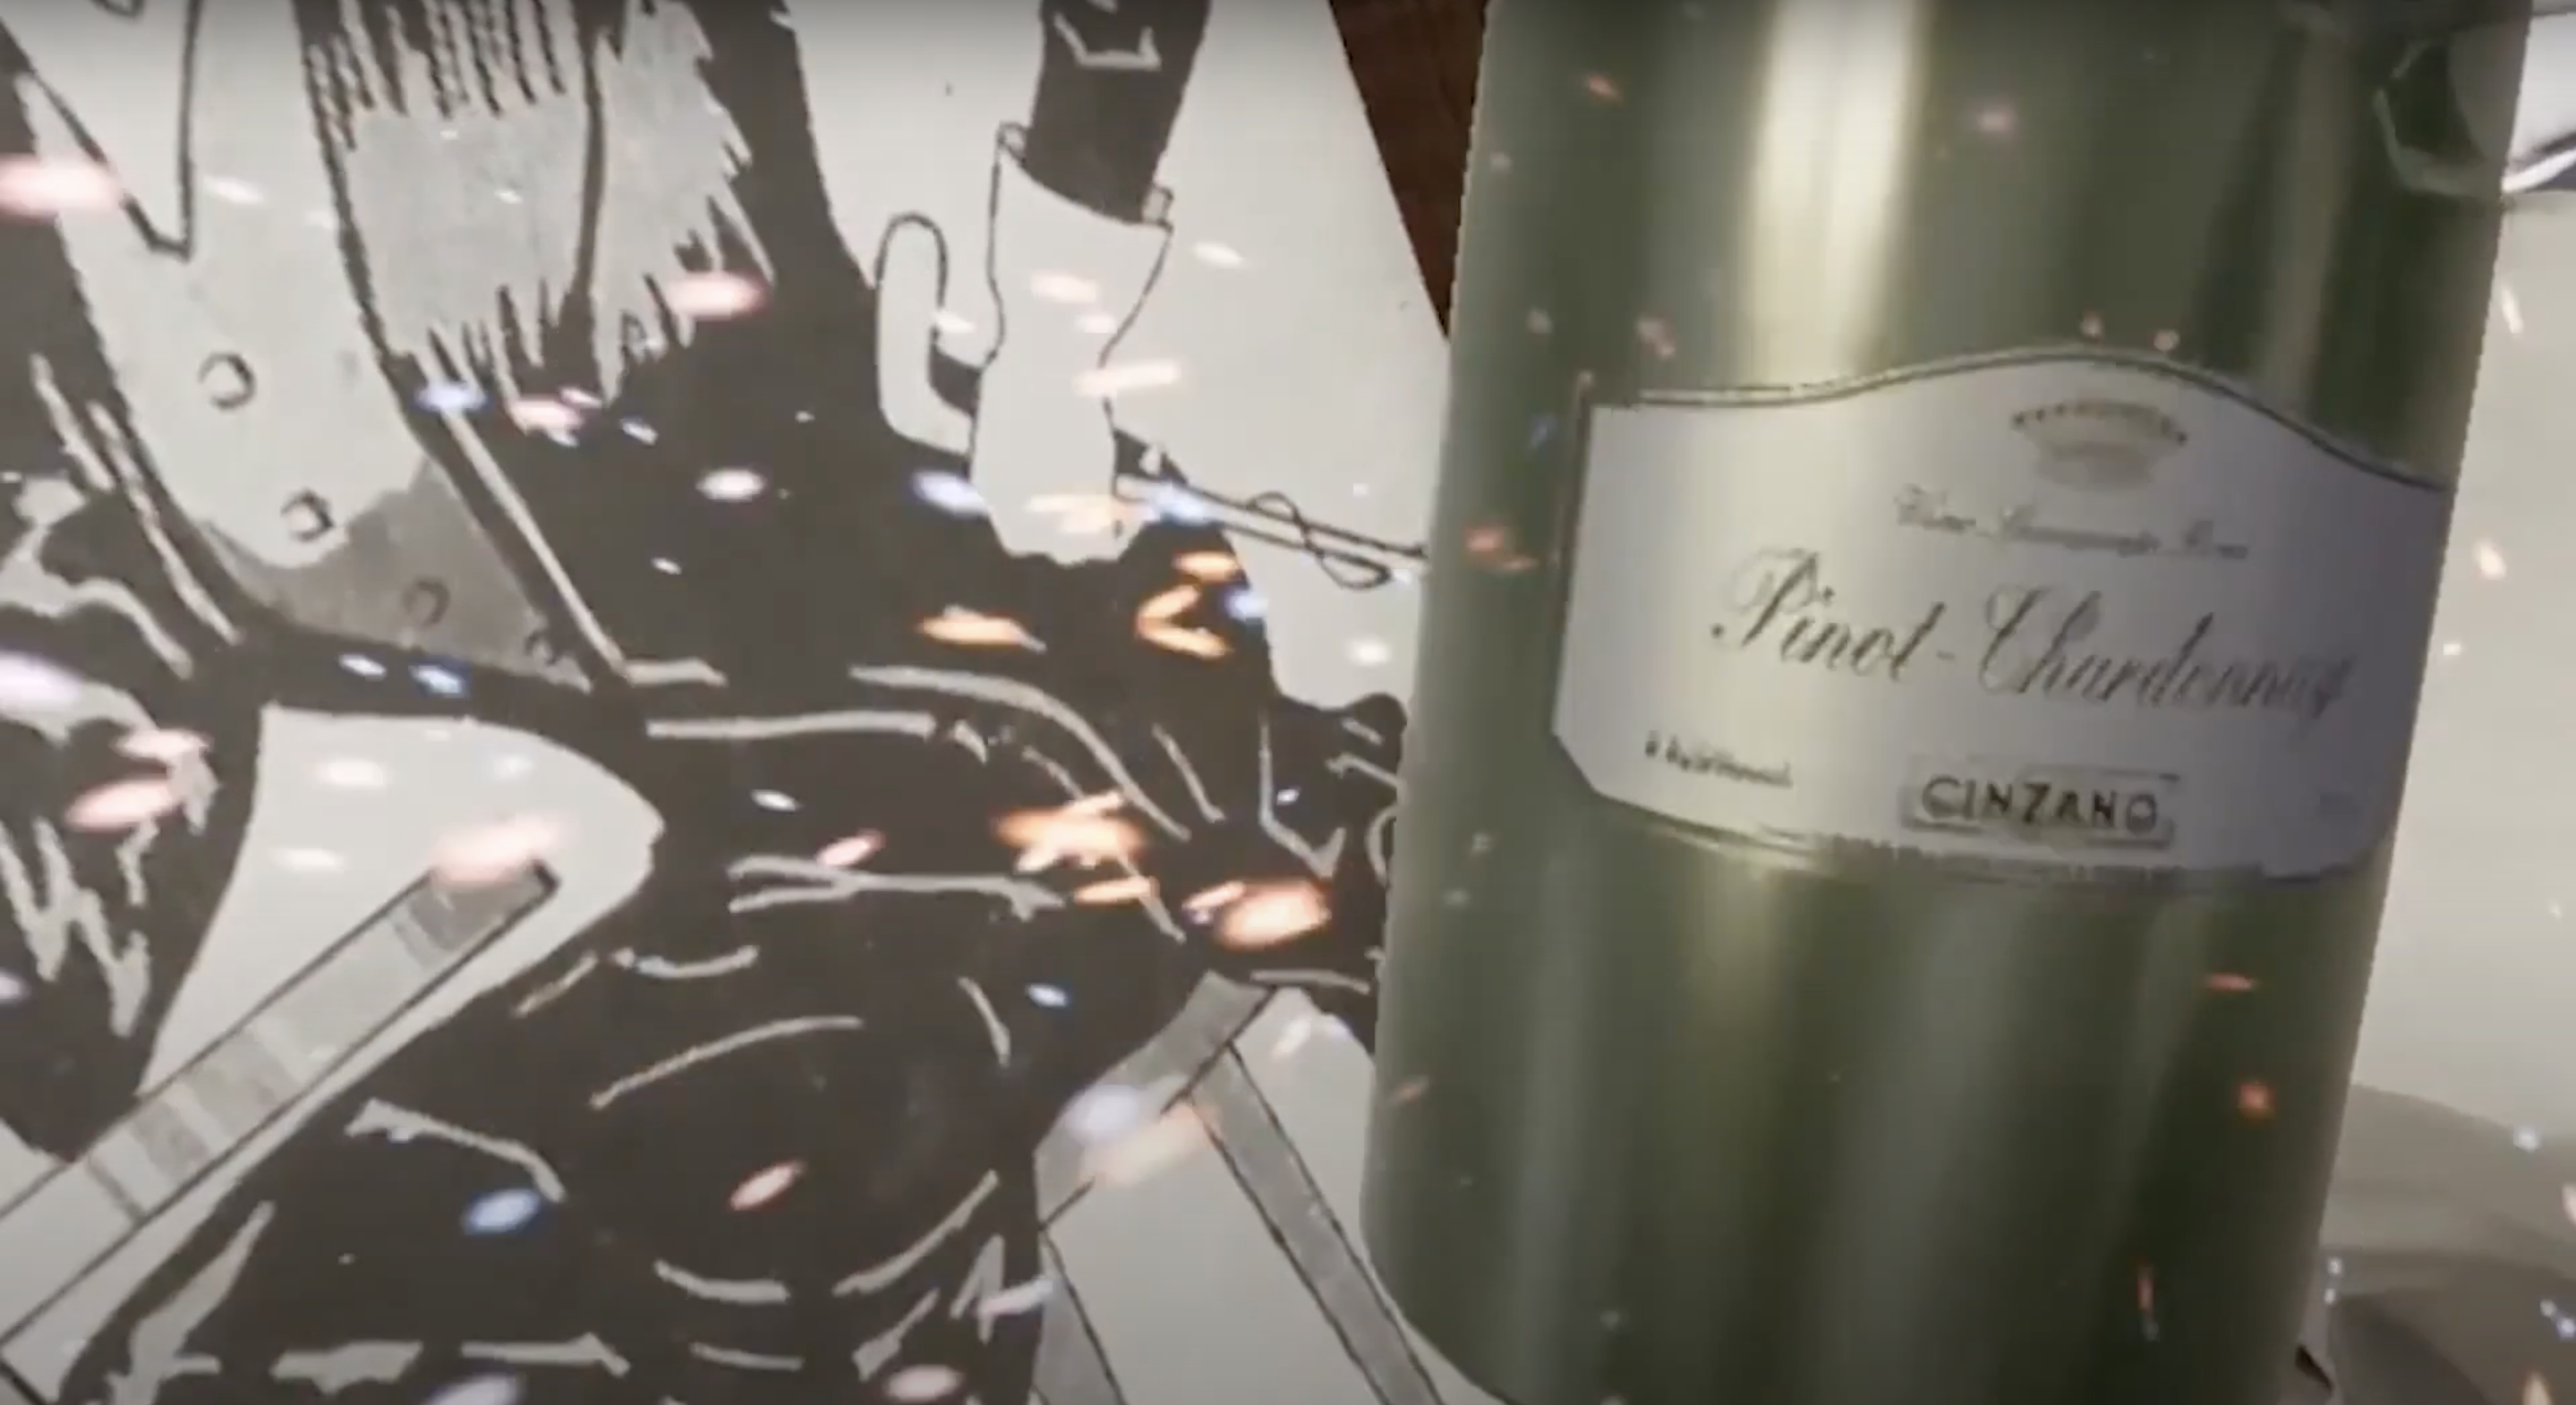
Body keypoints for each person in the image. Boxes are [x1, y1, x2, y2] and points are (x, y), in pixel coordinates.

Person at [0, 1, 1406, 1400]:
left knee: (730, 1167)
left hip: (954, 677)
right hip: (692, 890)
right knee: (217, 1365)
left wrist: (1055, 309)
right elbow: (71, 748)